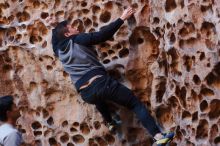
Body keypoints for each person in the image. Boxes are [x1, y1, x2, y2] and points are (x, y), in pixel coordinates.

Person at [52, 7, 174, 145]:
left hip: (85, 93)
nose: (76, 29)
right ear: (68, 34)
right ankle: (158, 137)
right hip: (101, 83)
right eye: (72, 28)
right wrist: (121, 18)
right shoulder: (78, 39)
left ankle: (109, 121)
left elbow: (55, 41)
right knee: (134, 103)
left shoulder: (59, 52)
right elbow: (102, 35)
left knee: (98, 98)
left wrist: (54, 27)